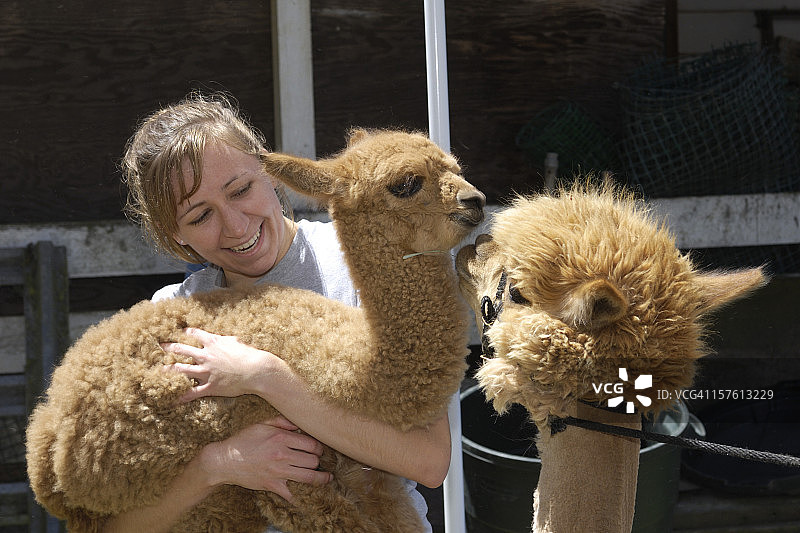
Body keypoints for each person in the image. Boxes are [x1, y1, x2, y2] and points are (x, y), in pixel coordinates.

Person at [104, 93, 450, 532]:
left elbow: (429, 460)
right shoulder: (173, 318)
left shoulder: (366, 268)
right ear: (176, 234)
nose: (235, 225)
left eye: (241, 190)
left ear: (270, 172)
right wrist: (219, 465)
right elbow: (119, 525)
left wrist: (266, 377)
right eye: (200, 215)